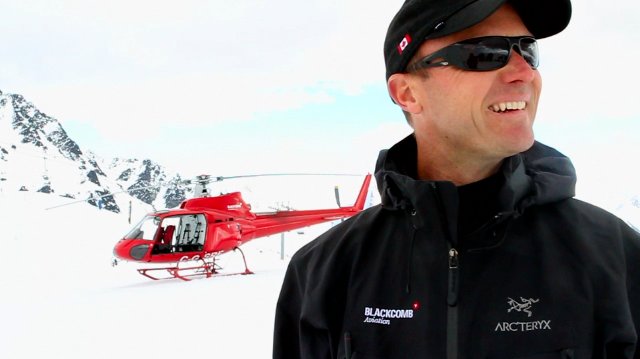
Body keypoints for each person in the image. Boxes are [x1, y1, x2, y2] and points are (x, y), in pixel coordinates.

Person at [273, 0, 640, 358]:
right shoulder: (324, 272)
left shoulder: (613, 256)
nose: (523, 72)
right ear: (408, 93)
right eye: (484, 53)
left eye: (527, 51)